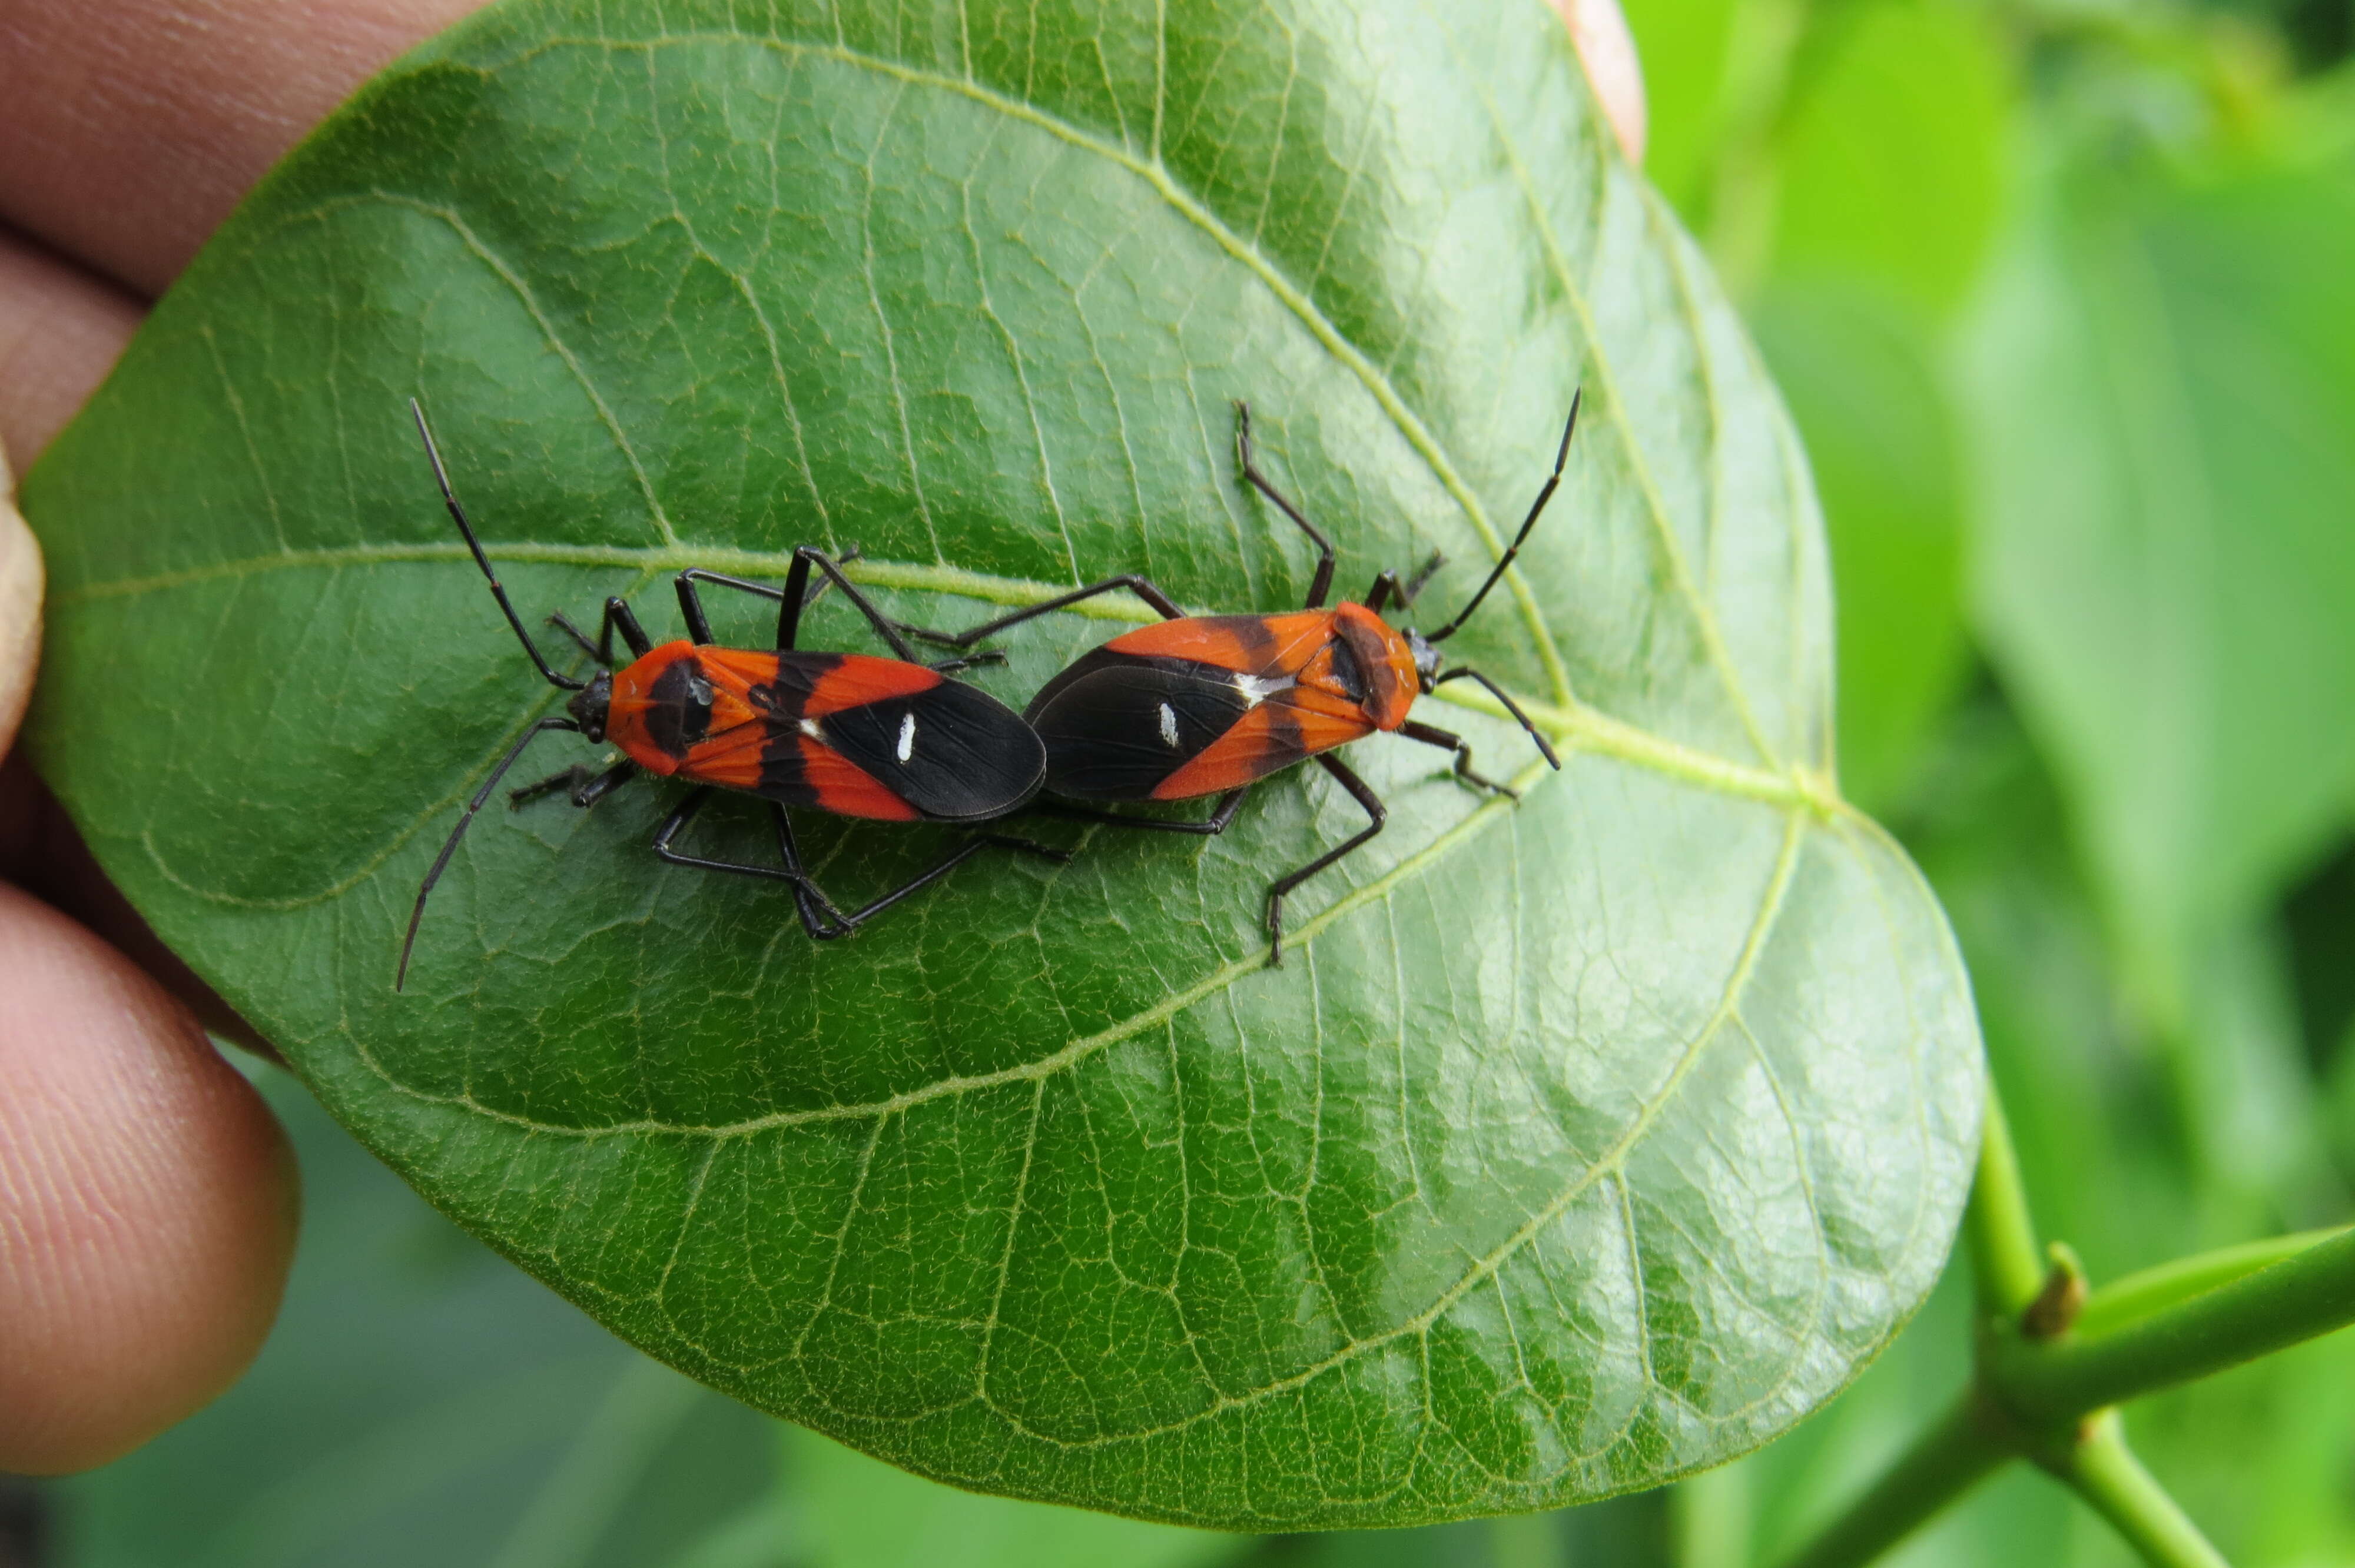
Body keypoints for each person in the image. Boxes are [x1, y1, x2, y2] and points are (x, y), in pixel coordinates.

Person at [0, 0, 1644, 1473]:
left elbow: (680, 749)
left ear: (1378, 654)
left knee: (956, 808)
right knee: (1023, 825)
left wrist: (800, 704)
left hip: (976, 725)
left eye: (1421, 665)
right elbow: (694, 744)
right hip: (948, 737)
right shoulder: (688, 726)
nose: (1415, 651)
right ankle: (982, 774)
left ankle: (975, 763)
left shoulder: (676, 718)